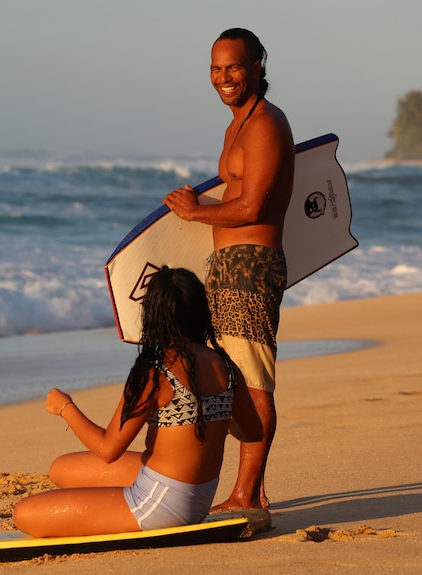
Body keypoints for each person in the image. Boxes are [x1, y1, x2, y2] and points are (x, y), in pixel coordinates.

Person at [13, 267, 261, 537]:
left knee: (24, 514)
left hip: (158, 505)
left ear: (154, 316)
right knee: (61, 469)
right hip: (198, 498)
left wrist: (65, 407)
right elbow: (251, 432)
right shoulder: (225, 366)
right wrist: (211, 416)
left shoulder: (156, 372)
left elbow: (108, 449)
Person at [162, 28, 295, 512]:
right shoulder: (235, 125)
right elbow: (238, 198)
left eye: (233, 67)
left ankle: (247, 495)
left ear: (258, 64)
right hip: (227, 265)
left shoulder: (265, 124)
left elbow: (254, 205)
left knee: (253, 380)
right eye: (216, 69)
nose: (224, 77)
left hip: (251, 267)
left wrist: (196, 212)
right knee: (230, 376)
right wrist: (198, 210)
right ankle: (251, 490)